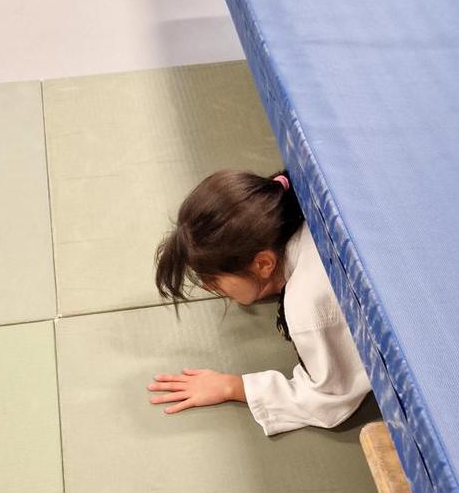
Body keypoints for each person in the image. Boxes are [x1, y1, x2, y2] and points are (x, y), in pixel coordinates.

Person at [149, 170, 371, 436]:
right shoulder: (295, 196)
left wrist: (233, 387)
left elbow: (328, 398)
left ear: (264, 264)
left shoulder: (308, 307)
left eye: (214, 278)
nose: (208, 288)